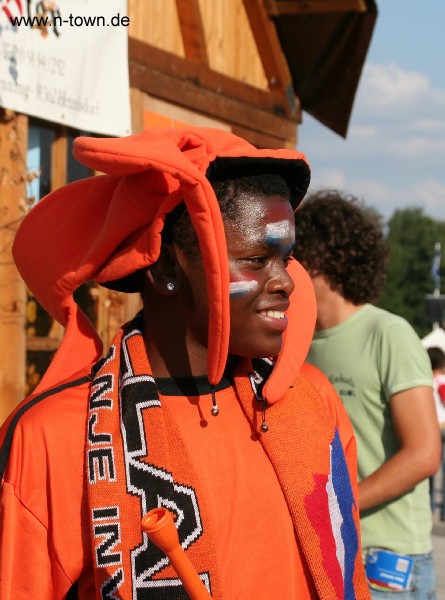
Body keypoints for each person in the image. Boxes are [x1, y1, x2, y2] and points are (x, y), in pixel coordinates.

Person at [0, 128, 370, 599]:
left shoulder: (312, 403)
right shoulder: (55, 437)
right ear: (169, 271)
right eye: (256, 259)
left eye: (286, 257)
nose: (285, 283)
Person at [293, 190, 441, 599]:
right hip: (328, 552)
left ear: (318, 259)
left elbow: (424, 452)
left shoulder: (388, 333)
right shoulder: (296, 343)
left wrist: (340, 503)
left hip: (386, 560)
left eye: (290, 255)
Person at [426, 346, 445, 520]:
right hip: (443, 426)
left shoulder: (425, 379)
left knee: (430, 472)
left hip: (430, 426)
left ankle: (430, 508)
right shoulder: (440, 379)